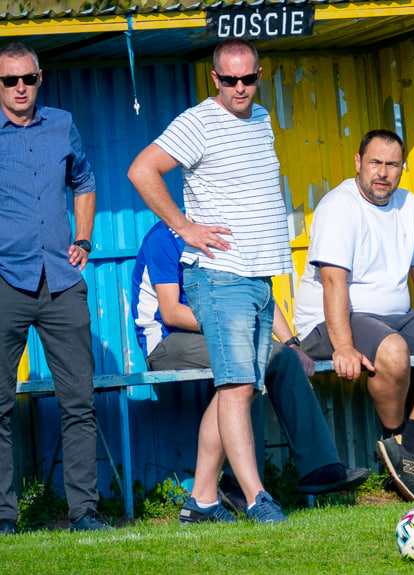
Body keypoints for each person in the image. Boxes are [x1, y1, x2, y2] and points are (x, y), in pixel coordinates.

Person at [127, 39, 293, 524]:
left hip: (258, 277)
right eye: (229, 80)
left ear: (260, 75)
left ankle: (200, 500)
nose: (240, 88)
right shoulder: (198, 121)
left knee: (236, 388)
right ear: (214, 79)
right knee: (239, 386)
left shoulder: (261, 119)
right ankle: (257, 496)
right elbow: (142, 169)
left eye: (248, 78)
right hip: (221, 278)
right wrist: (185, 228)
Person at [292, 129, 414, 503]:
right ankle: (398, 447)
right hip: (333, 318)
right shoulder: (338, 206)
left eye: (392, 164)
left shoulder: (408, 203)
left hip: (393, 316)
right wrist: (343, 346)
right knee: (392, 350)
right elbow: (333, 282)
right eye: (375, 162)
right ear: (358, 163)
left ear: (402, 168)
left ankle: (406, 453)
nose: (383, 172)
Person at [131, 220, 370, 503]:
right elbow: (171, 313)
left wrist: (293, 344)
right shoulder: (164, 237)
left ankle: (318, 467)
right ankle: (237, 483)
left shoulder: (222, 233)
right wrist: (234, 325)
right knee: (252, 355)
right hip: (167, 342)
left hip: (215, 333)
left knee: (282, 357)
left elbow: (256, 296)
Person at [0, 42, 111, 534]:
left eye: (27, 79)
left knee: (79, 403)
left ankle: (84, 513)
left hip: (62, 283)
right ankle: (5, 518)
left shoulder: (62, 124)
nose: (20, 88)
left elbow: (84, 181)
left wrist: (83, 239)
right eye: (9, 81)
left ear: (40, 78)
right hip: (7, 282)